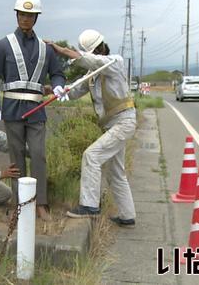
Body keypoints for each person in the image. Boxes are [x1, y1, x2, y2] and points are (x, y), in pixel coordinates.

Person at [0, 0, 66, 220]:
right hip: (11, 109)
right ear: (16, 15)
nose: (25, 19)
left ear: (36, 18)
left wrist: (59, 85)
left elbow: (58, 73)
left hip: (36, 111)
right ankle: (19, 203)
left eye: (30, 15)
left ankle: (41, 202)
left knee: (39, 155)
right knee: (16, 156)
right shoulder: (3, 45)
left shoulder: (46, 48)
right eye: (22, 14)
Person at [48, 29, 137, 227]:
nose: (95, 53)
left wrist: (60, 49)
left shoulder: (115, 62)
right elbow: (73, 91)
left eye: (96, 50)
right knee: (116, 172)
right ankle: (127, 215)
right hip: (112, 125)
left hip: (124, 122)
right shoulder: (92, 76)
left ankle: (89, 206)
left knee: (91, 156)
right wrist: (55, 91)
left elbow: (93, 61)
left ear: (101, 47)